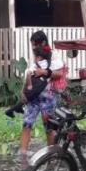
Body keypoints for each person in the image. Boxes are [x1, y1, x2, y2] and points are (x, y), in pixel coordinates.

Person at [14, 31, 66, 161]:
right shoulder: (36, 57)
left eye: (35, 45)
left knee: (49, 126)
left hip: (48, 95)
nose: (33, 48)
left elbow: (59, 73)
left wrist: (43, 72)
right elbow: (30, 74)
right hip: (34, 96)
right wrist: (23, 91)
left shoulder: (54, 55)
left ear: (43, 43)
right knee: (27, 123)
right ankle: (23, 154)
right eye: (32, 45)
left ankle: (52, 154)